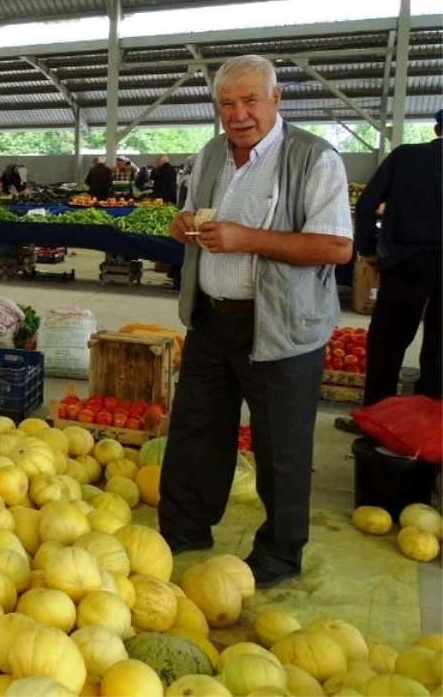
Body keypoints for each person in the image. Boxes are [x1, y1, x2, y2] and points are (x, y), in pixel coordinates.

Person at [159, 54, 352, 590]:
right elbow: (197, 211)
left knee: (281, 448)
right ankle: (184, 528)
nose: (239, 113)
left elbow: (336, 246)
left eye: (250, 100)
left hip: (281, 328)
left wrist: (246, 238)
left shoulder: (314, 159)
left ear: (276, 100)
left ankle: (279, 554)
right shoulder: (212, 154)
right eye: (227, 102)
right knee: (197, 432)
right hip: (211, 320)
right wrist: (184, 224)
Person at [337, 108, 443, 432]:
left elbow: (366, 203)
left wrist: (368, 250)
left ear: (438, 129)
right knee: (440, 349)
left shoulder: (405, 157)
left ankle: (376, 422)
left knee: (387, 343)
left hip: (407, 263)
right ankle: (427, 429)